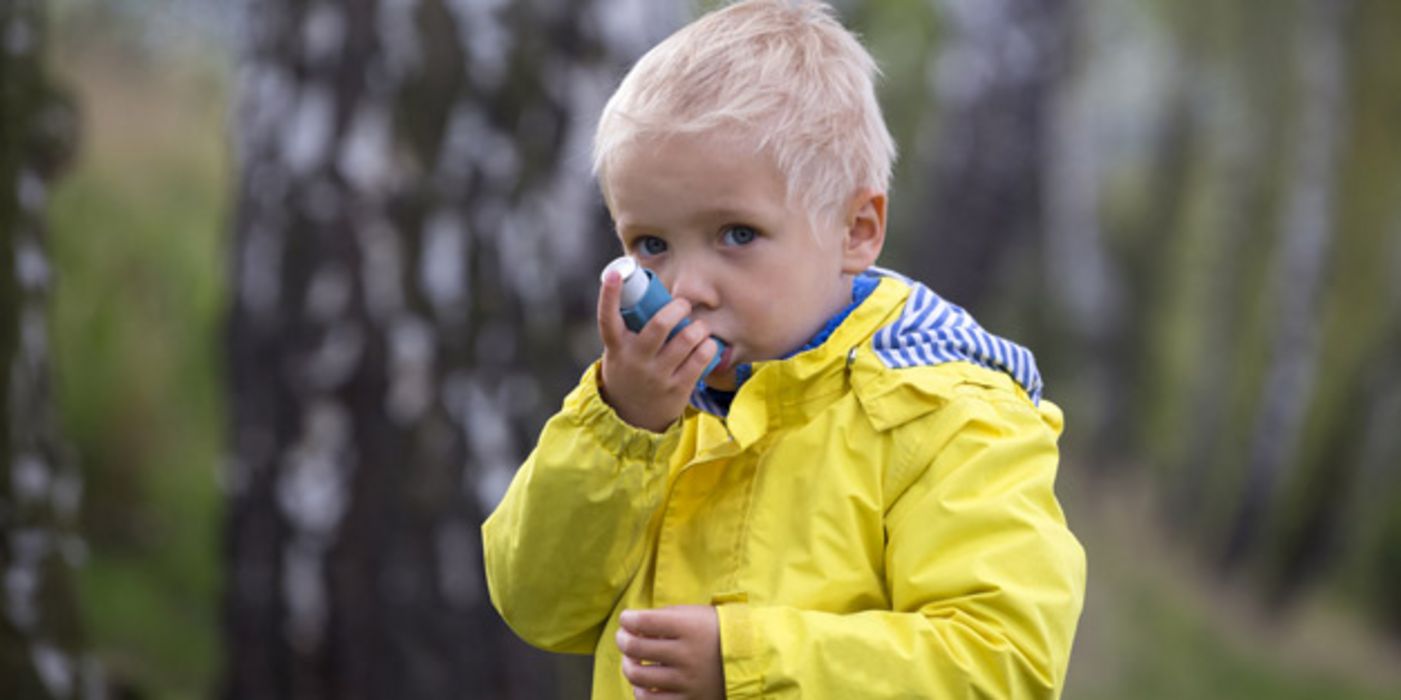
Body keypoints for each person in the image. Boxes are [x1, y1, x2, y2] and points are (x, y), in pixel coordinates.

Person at [481, 1, 1086, 697]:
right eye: (651, 245)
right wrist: (620, 429)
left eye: (736, 234)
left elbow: (1000, 663)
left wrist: (748, 663)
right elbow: (536, 605)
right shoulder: (644, 412)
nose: (686, 287)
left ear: (856, 230)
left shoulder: (946, 414)